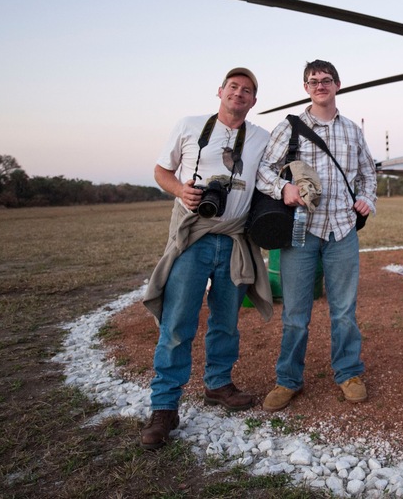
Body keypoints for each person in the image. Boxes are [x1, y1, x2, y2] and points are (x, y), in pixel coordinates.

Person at [140, 67, 274, 449]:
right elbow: (161, 170)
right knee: (178, 320)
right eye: (233, 87)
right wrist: (181, 190)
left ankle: (217, 384)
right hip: (194, 238)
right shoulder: (189, 125)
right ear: (220, 91)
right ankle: (164, 407)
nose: (239, 94)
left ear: (253, 100)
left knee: (226, 320)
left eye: (247, 90)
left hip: (234, 239)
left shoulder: (261, 136)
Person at [257, 59, 377, 411]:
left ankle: (349, 373)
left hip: (342, 230)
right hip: (301, 231)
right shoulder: (289, 128)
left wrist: (367, 198)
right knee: (295, 313)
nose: (320, 85)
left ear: (337, 85)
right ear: (306, 88)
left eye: (326, 80)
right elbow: (265, 168)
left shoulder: (353, 130)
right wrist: (282, 189)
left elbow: (368, 174)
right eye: (313, 81)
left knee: (344, 311)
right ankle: (288, 379)